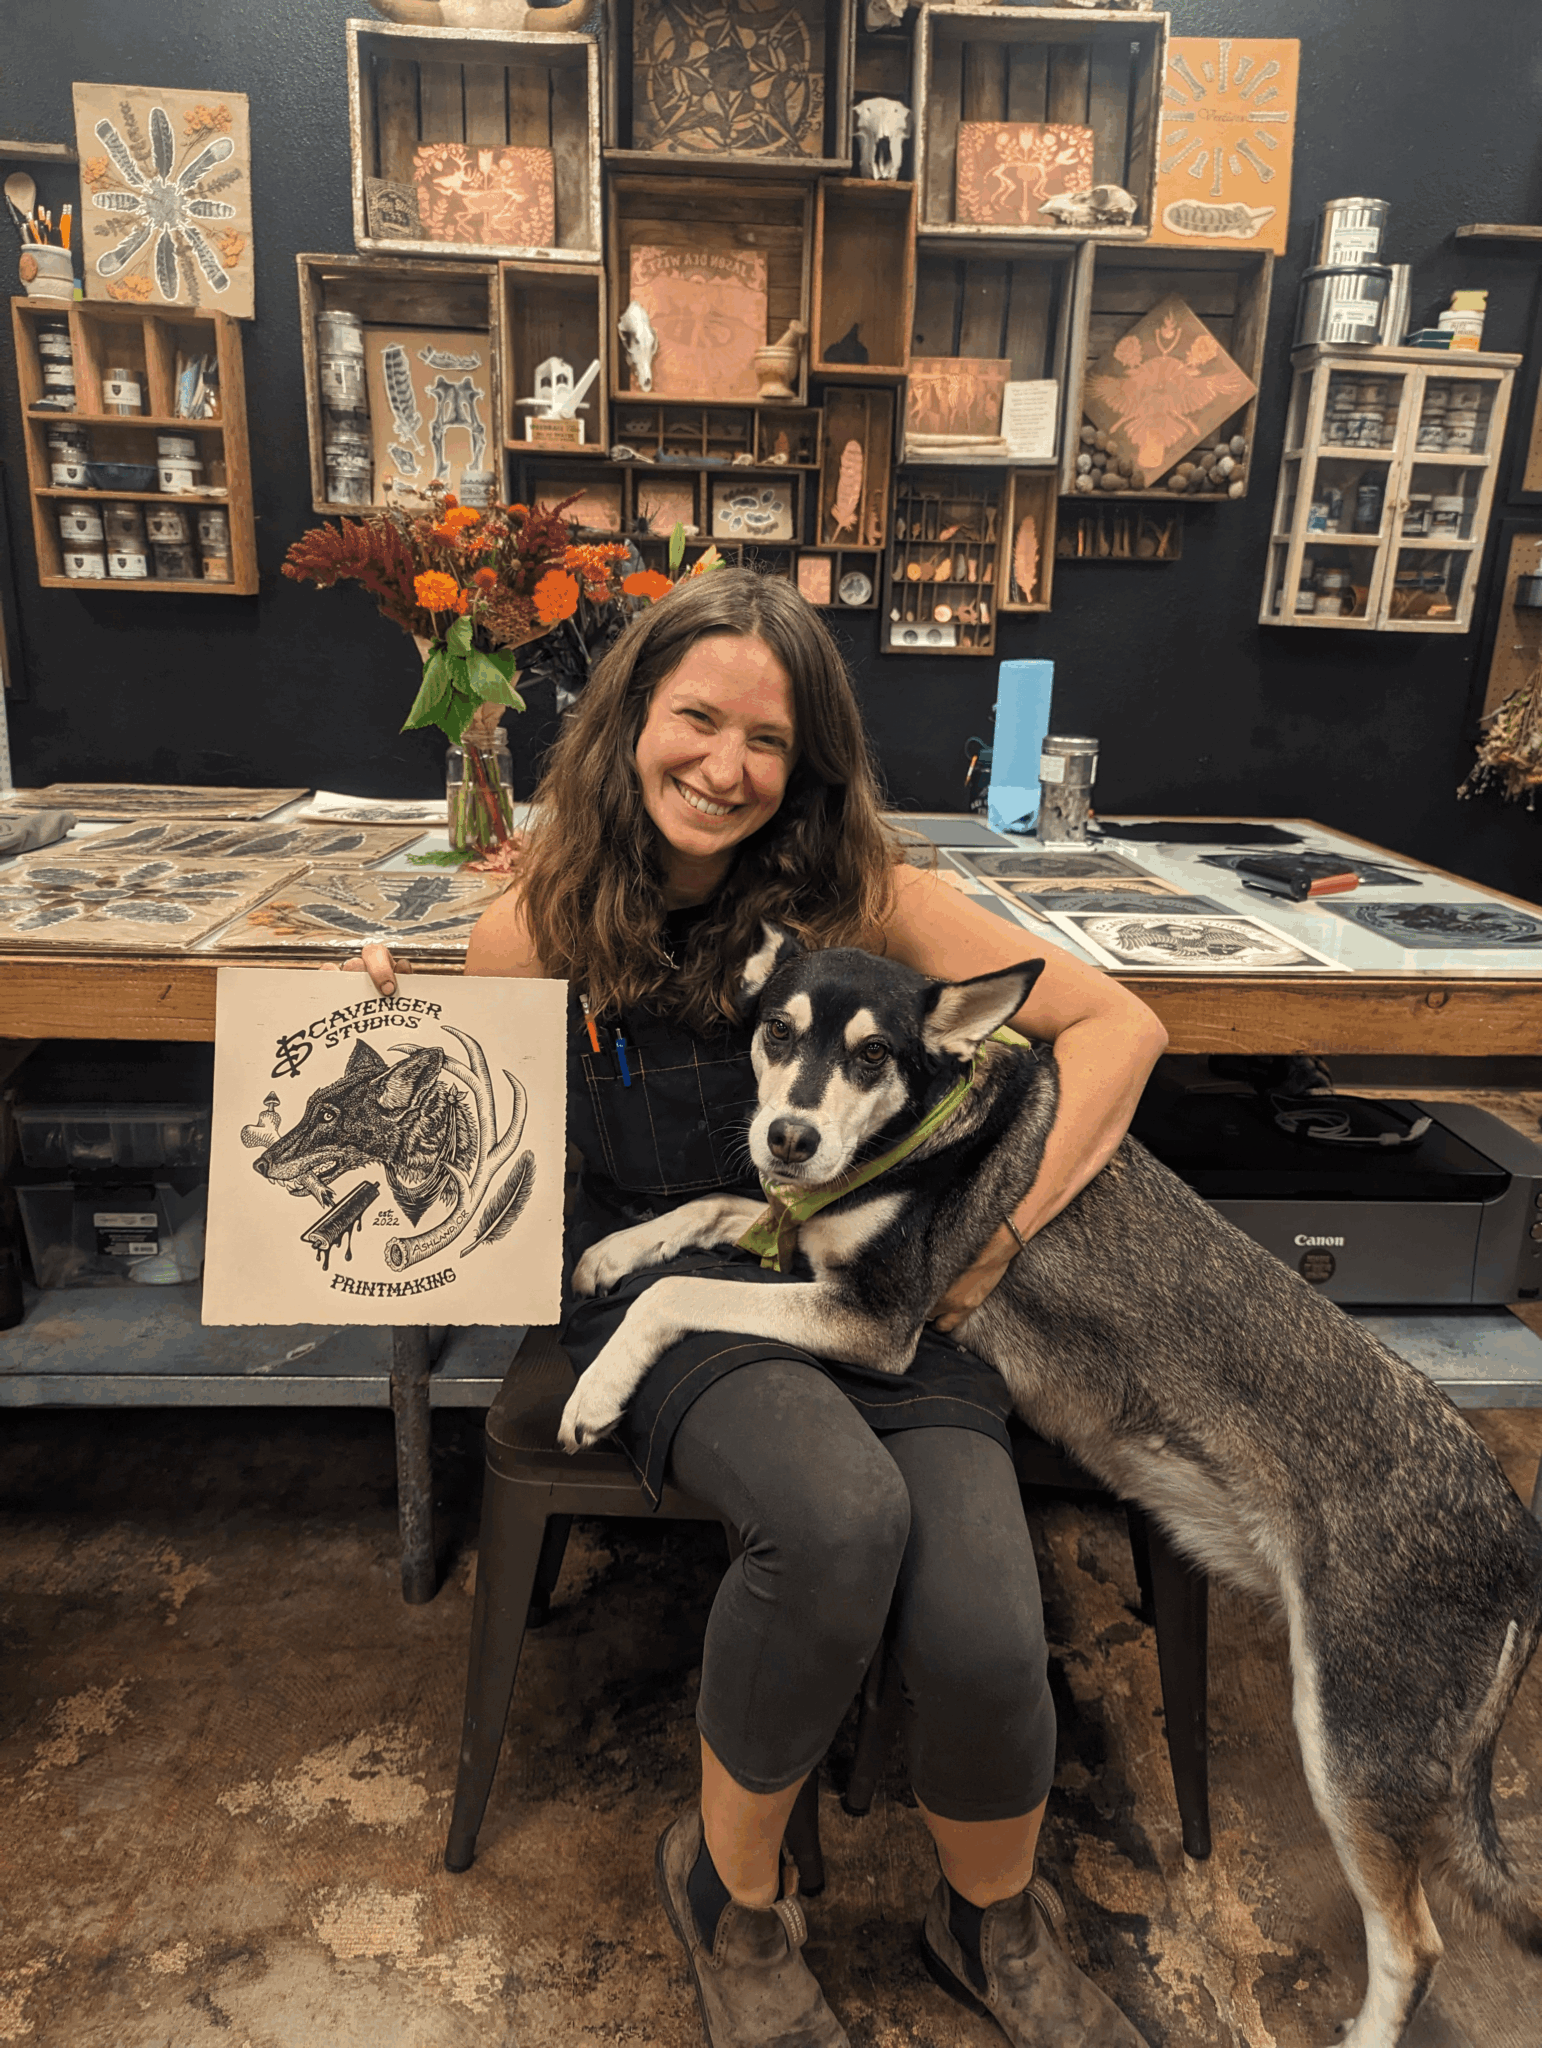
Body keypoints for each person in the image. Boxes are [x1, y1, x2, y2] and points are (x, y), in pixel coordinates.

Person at [350, 569, 1167, 2048]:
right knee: (840, 1521)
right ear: (629, 720)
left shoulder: (871, 896)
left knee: (990, 1621)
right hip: (663, 1289)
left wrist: (995, 1243)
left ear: (810, 763)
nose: (725, 767)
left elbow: (1120, 1022)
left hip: (877, 1285)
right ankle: (730, 1901)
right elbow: (468, 1155)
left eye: (768, 740)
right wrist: (392, 1028)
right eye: (696, 719)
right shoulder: (534, 919)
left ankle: (990, 1918)